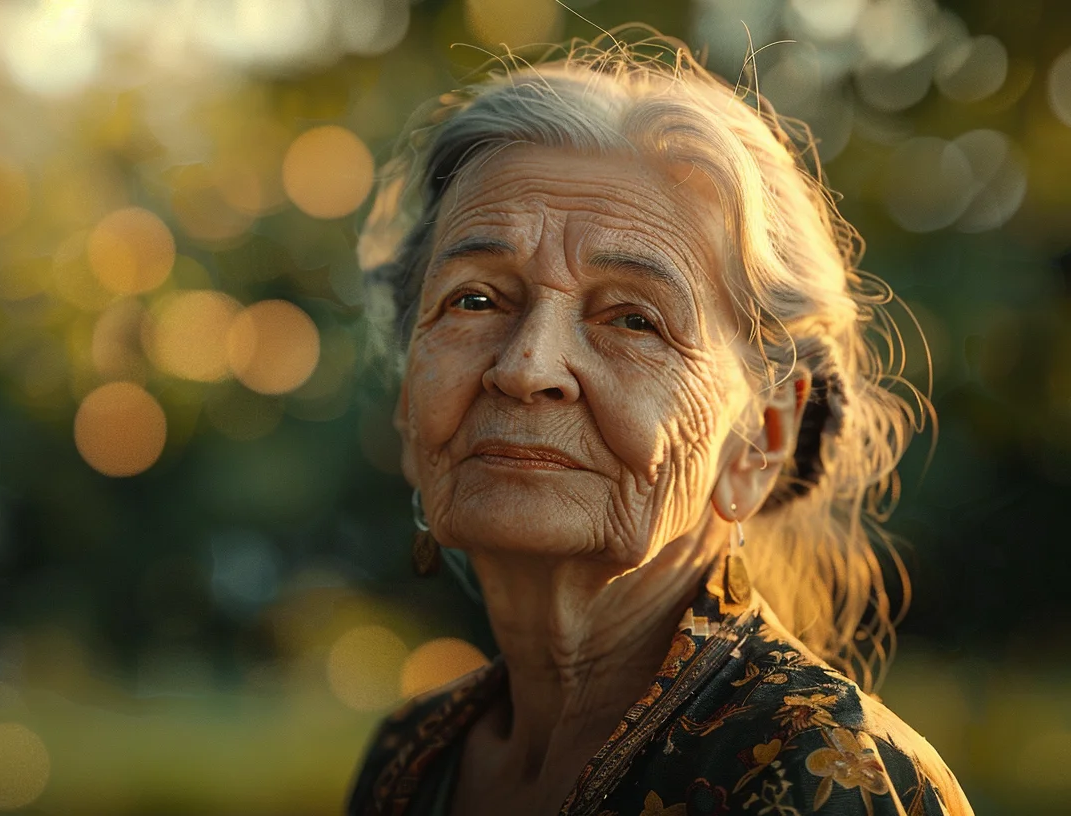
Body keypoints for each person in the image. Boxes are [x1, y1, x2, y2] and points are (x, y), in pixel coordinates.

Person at [346, 33, 973, 816]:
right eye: (474, 300)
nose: (527, 367)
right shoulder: (412, 761)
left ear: (761, 439)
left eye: (635, 320)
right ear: (408, 407)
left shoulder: (821, 777)